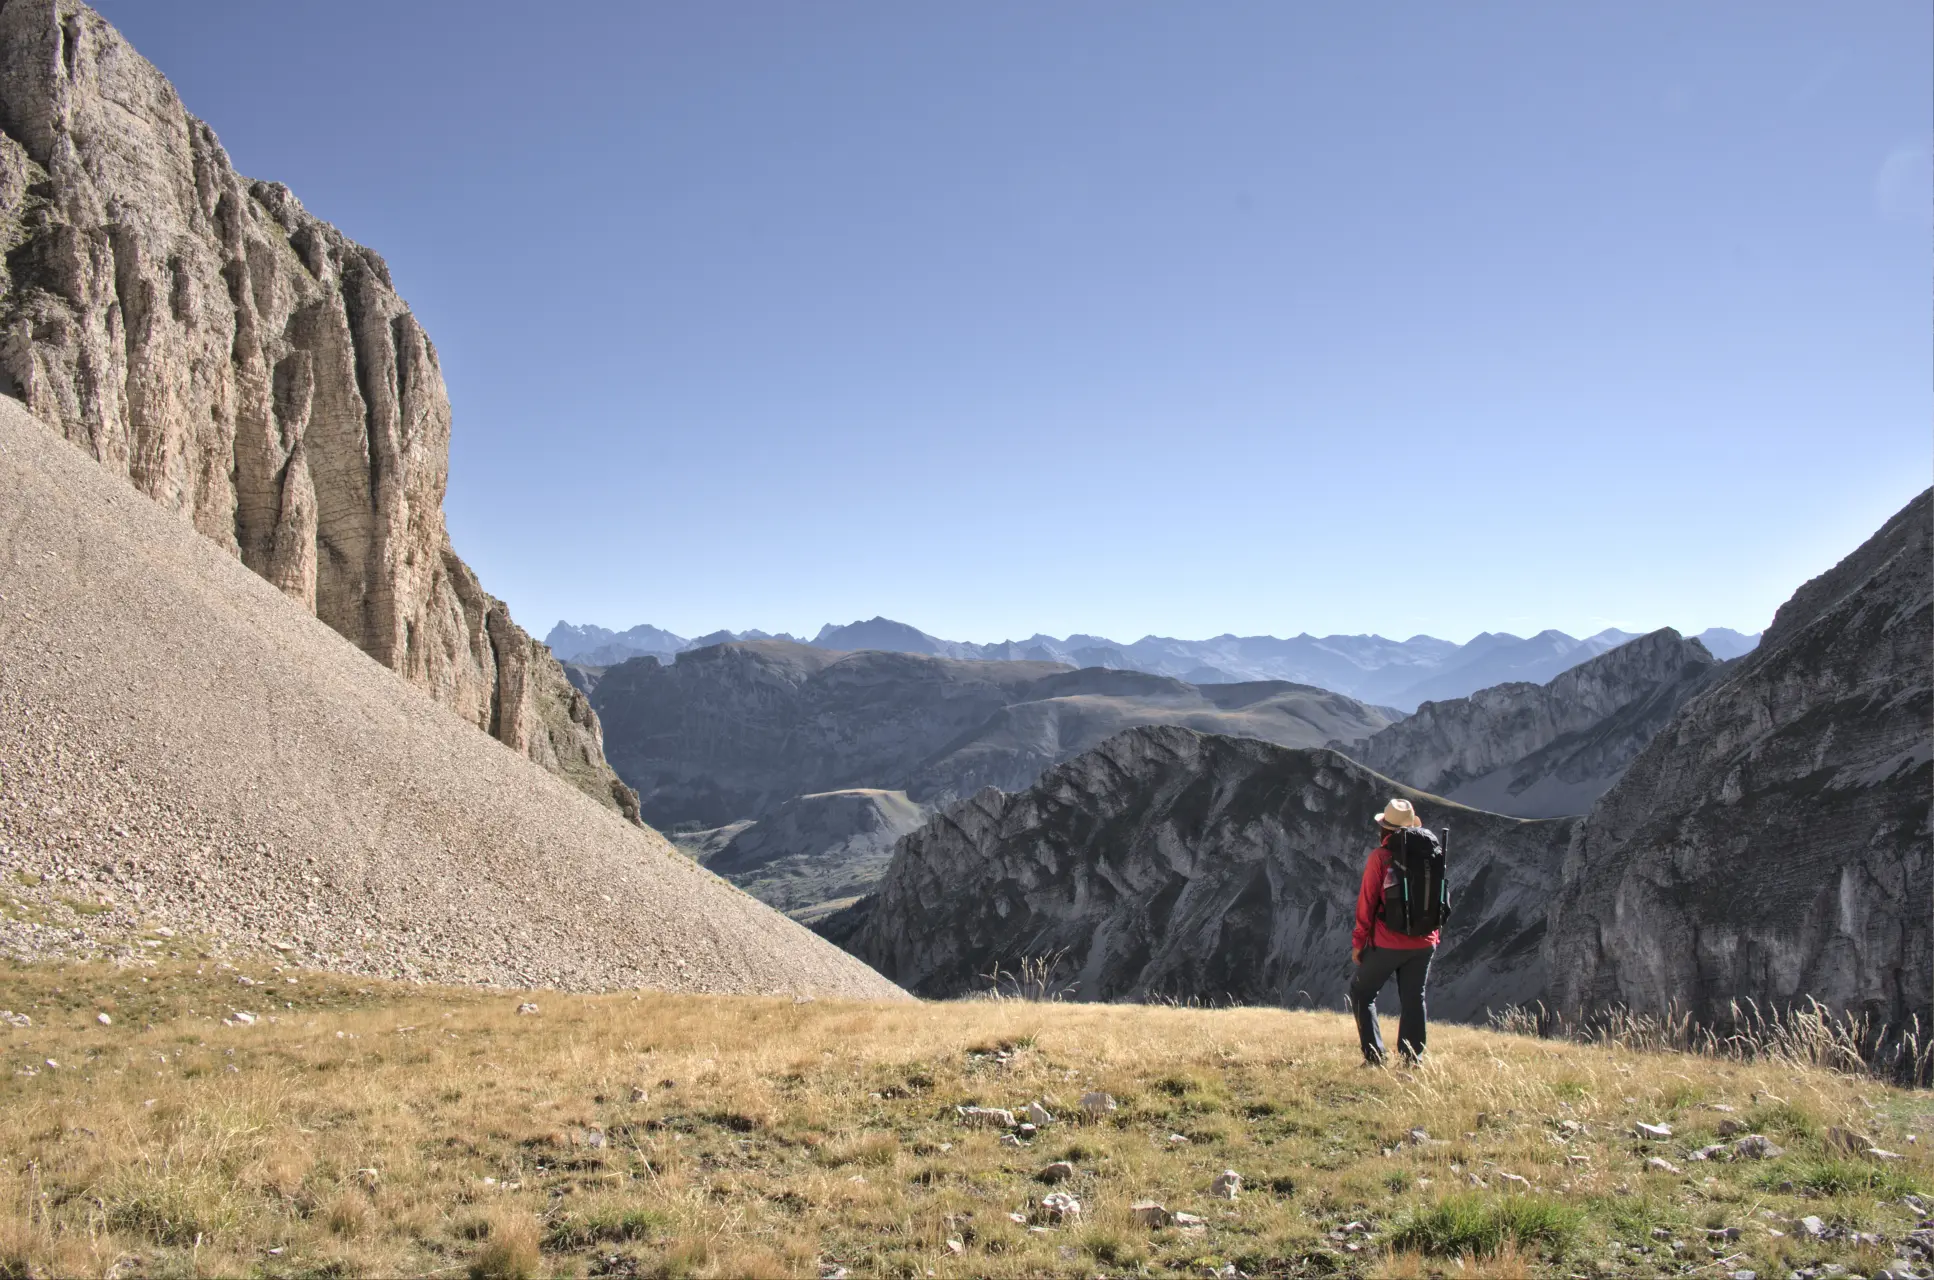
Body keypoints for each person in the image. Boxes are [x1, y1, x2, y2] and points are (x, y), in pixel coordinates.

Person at [1349, 797, 1439, 1065]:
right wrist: (1433, 936)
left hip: (1387, 943)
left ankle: (1375, 1058)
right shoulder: (1431, 855)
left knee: (1362, 993)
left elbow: (1367, 902)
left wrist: (1359, 942)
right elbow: (1440, 898)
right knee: (1414, 998)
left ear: (1385, 830)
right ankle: (1412, 1060)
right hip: (1424, 941)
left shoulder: (1381, 857)